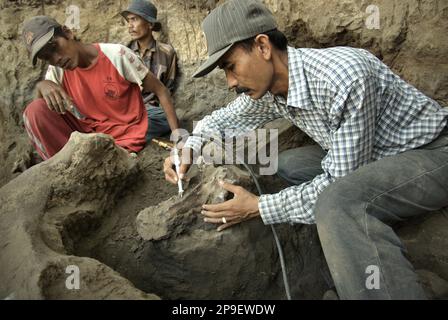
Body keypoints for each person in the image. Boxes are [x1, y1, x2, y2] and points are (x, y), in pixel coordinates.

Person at [163, 0, 448, 299]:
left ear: (262, 46)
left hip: (432, 152)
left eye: (230, 66)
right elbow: (221, 119)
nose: (230, 81)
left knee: (335, 203)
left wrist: (259, 207)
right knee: (289, 165)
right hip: (375, 155)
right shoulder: (271, 90)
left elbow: (336, 182)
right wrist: (188, 147)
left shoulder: (344, 77)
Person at [21, 15, 179, 160]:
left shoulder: (117, 55)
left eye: (55, 47)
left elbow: (161, 91)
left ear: (67, 33)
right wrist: (41, 86)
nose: (56, 59)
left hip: (127, 131)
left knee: (160, 117)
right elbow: (40, 116)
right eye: (47, 57)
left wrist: (178, 138)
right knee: (34, 110)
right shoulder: (57, 71)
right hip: (90, 134)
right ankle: (63, 168)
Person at [121, 0, 178, 141]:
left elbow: (168, 90)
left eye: (134, 19)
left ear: (150, 24)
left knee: (167, 118)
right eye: (128, 21)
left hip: (153, 112)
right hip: (128, 109)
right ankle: (131, 132)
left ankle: (126, 134)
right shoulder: (123, 53)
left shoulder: (167, 52)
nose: (130, 26)